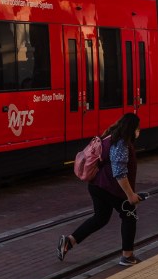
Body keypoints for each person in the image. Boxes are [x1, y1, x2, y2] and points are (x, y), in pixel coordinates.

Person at [57, 112, 143, 266]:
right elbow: (119, 173)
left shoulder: (109, 136)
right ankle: (127, 256)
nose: (139, 131)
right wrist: (130, 195)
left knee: (101, 218)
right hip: (109, 187)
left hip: (97, 185)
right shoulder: (122, 143)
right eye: (137, 128)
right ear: (131, 128)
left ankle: (69, 241)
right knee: (129, 215)